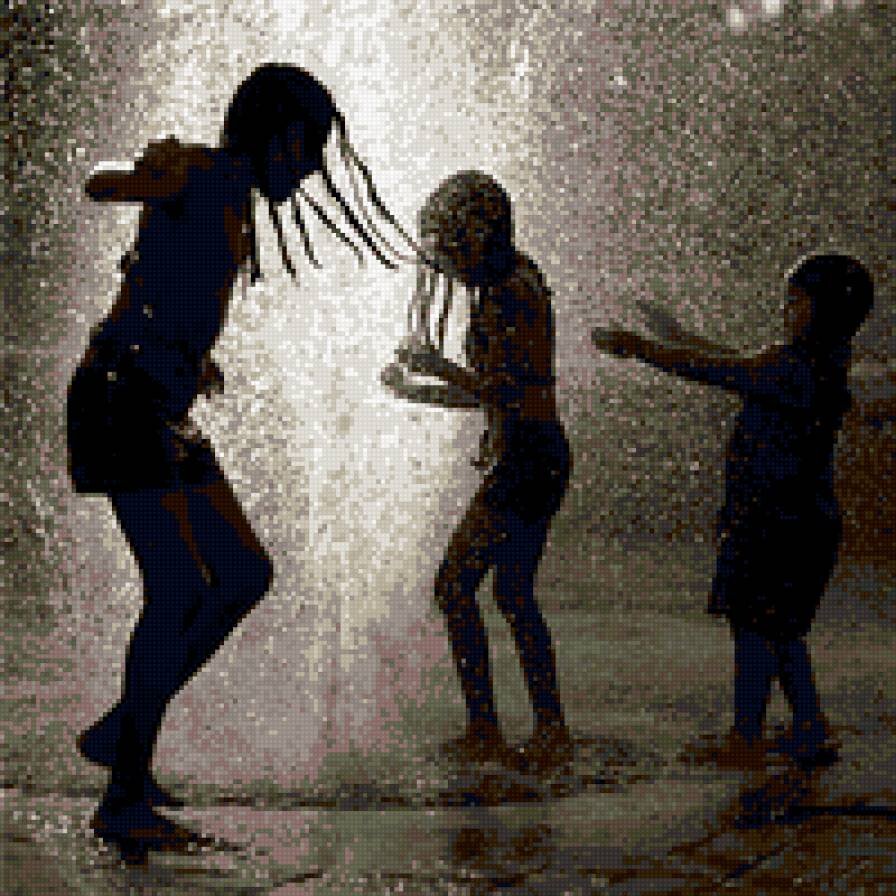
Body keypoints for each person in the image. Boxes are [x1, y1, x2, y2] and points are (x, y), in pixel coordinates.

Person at [68, 63, 413, 849]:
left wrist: (193, 357)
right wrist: (141, 170)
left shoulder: (234, 195)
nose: (314, 168)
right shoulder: (198, 170)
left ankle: (122, 732)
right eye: (311, 149)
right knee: (177, 589)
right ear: (283, 136)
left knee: (244, 573)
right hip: (120, 398)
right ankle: (123, 800)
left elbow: (168, 281)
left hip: (159, 406)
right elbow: (100, 184)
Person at [592, 254, 874, 769]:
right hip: (803, 522)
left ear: (825, 311)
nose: (785, 308)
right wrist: (677, 335)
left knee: (753, 627)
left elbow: (718, 371)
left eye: (797, 300)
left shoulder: (791, 368)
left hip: (775, 523)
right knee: (782, 630)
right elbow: (737, 364)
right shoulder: (820, 364)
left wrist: (643, 349)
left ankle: (746, 738)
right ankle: (810, 727)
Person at [382, 171, 572, 770]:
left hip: (528, 458)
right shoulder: (516, 282)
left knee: (454, 586)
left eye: (449, 244)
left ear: (478, 234)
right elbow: (500, 394)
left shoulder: (511, 292)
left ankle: (487, 729)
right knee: (512, 593)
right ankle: (548, 728)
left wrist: (436, 366)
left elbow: (507, 394)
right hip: (537, 452)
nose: (444, 262)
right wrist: (419, 391)